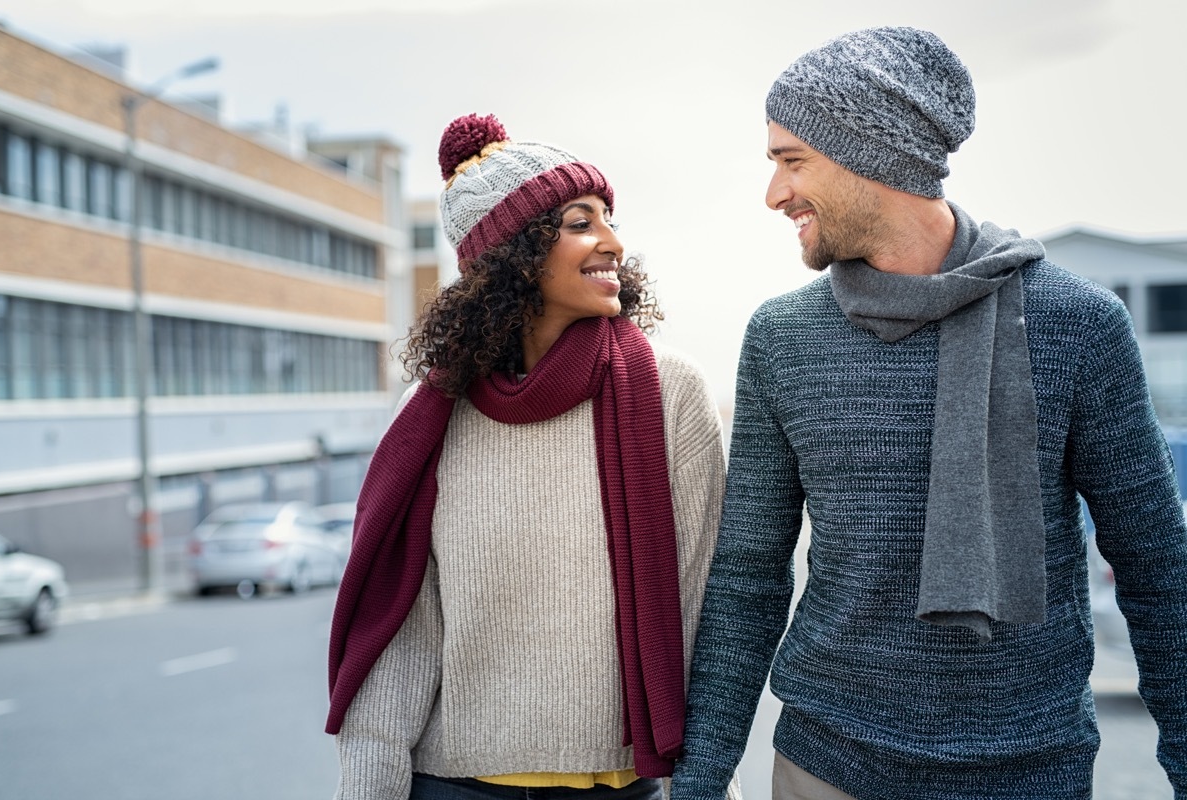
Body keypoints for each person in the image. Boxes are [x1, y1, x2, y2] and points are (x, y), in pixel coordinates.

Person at [670, 26, 1187, 800]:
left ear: (870, 158)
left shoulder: (1076, 324)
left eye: (791, 160)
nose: (774, 193)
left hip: (1031, 770)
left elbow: (1156, 568)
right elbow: (747, 580)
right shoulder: (783, 338)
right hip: (827, 763)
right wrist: (700, 782)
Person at [326, 113, 733, 800]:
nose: (613, 241)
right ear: (513, 255)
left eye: (608, 217)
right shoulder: (430, 416)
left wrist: (714, 788)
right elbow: (401, 634)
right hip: (454, 783)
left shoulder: (670, 392)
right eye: (580, 222)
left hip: (625, 785)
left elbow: (707, 610)